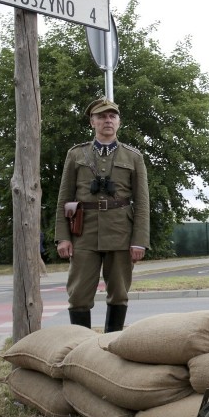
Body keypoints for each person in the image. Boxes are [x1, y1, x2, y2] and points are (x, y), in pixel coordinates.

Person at [54, 98, 150, 332]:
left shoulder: (133, 156)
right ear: (92, 122)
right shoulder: (76, 154)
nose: (107, 120)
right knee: (78, 294)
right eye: (101, 117)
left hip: (121, 233)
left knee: (119, 293)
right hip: (83, 233)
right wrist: (63, 237)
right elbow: (64, 198)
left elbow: (142, 201)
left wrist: (140, 241)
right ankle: (81, 346)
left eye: (112, 116)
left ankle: (112, 344)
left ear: (118, 122)